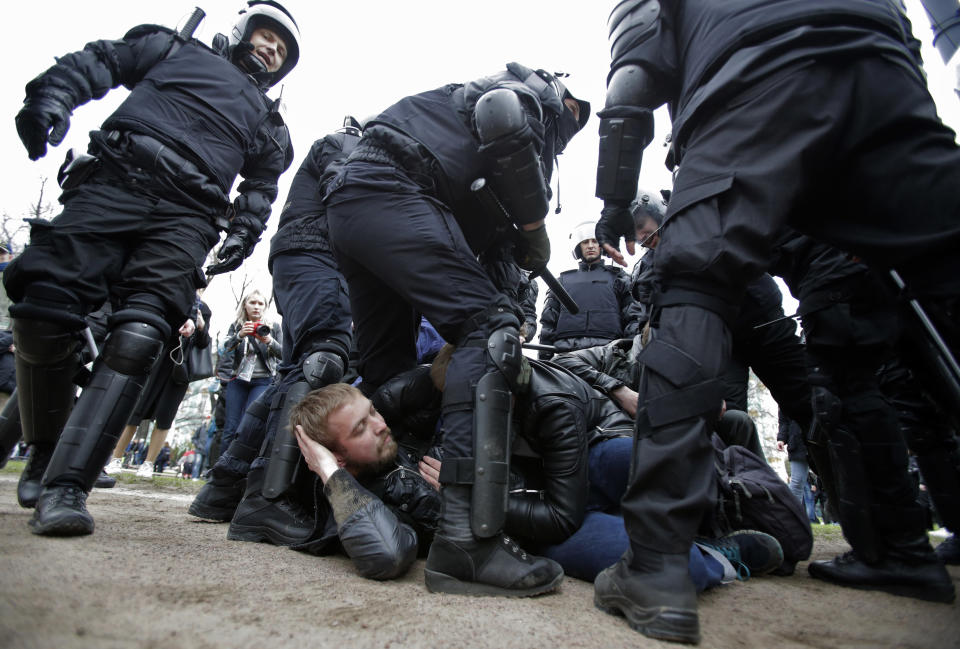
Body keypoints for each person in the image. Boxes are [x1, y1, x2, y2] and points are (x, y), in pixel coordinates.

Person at [592, 0, 959, 641]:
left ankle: (655, 565)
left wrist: (616, 200)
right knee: (940, 274)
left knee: (696, 284)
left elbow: (632, 79)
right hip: (881, 69)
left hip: (752, 81)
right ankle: (897, 549)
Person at [4, 1, 300, 537]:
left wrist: (243, 233)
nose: (271, 51)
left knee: (141, 336)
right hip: (115, 179)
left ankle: (68, 487)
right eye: (266, 37)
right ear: (240, 33)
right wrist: (53, 94)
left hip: (187, 218)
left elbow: (261, 189)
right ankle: (47, 449)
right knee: (44, 305)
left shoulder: (271, 126)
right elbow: (101, 61)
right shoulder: (171, 47)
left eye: (281, 51)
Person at [325, 62, 590, 597]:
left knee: (389, 373)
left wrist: (511, 248)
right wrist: (535, 226)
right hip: (395, 187)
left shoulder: (480, 169)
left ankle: (387, 512)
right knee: (492, 332)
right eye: (572, 114)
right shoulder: (522, 95)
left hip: (360, 204)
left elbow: (488, 276)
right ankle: (468, 542)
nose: (568, 127)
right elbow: (506, 118)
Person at [188, 122, 360, 529]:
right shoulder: (349, 143)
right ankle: (269, 496)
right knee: (324, 360)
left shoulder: (348, 146)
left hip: (307, 260)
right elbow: (352, 190)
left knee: (295, 373)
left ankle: (224, 488)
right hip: (318, 257)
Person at [104, 300, 212, 478]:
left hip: (179, 368)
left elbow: (203, 343)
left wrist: (201, 326)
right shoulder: (173, 298)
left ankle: (148, 463)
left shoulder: (204, 310)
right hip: (155, 360)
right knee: (136, 410)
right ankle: (116, 457)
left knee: (165, 416)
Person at [538, 221, 638, 359]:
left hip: (608, 354)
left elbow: (633, 319)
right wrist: (544, 361)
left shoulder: (620, 278)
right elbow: (548, 324)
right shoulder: (560, 282)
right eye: (585, 242)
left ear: (601, 246)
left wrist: (632, 357)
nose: (590, 246)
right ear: (579, 246)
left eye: (594, 241)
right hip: (566, 354)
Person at [218, 291, 282, 453]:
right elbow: (225, 349)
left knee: (249, 424)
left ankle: (242, 470)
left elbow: (284, 354)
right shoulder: (236, 326)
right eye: (252, 303)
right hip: (237, 381)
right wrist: (239, 336)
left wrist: (269, 341)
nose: (256, 307)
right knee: (230, 426)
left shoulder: (273, 327)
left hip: (263, 381)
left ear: (266, 307)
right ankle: (221, 469)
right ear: (245, 305)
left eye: (261, 304)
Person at [777, 411, 818, 524]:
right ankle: (792, 520)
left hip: (820, 439)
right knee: (797, 482)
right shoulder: (785, 397)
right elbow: (784, 421)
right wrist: (781, 438)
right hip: (797, 443)